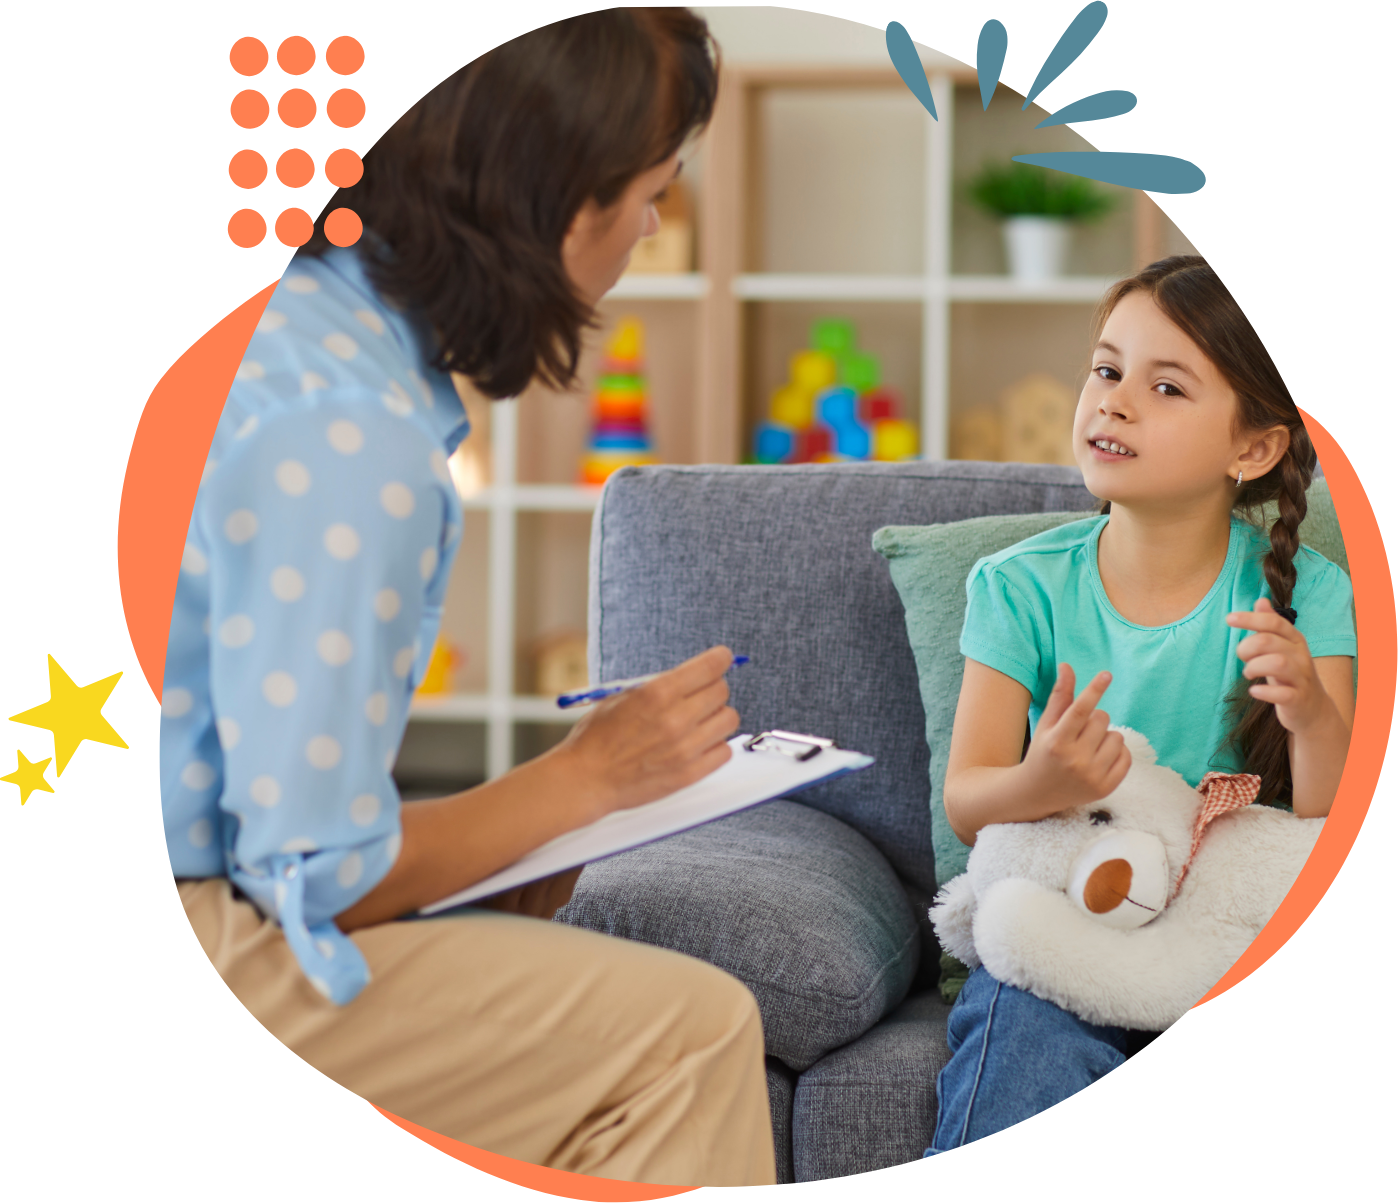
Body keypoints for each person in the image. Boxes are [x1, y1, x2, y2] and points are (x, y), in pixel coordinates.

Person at [164, 10, 777, 1187]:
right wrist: (589, 778)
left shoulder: (300, 334)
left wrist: (535, 825)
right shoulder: (354, 439)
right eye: (650, 192)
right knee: (688, 1035)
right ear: (558, 204)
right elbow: (314, 873)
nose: (652, 227)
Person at [925, 255, 1356, 1154]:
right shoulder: (1016, 588)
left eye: (1165, 386)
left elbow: (1329, 824)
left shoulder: (1310, 595)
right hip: (1069, 927)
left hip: (1226, 941)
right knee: (1019, 1012)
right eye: (1107, 369)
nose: (1113, 401)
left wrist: (1310, 712)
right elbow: (968, 802)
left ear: (1253, 448)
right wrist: (1041, 779)